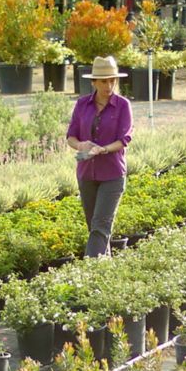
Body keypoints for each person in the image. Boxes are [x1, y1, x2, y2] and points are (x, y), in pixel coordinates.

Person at [66, 55, 133, 257]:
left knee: (100, 226)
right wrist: (81, 145)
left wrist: (103, 149)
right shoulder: (82, 105)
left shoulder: (122, 105)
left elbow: (124, 139)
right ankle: (106, 269)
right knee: (95, 229)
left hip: (112, 174)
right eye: (104, 81)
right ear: (94, 82)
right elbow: (71, 136)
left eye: (112, 81)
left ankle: (90, 269)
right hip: (86, 173)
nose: (109, 86)